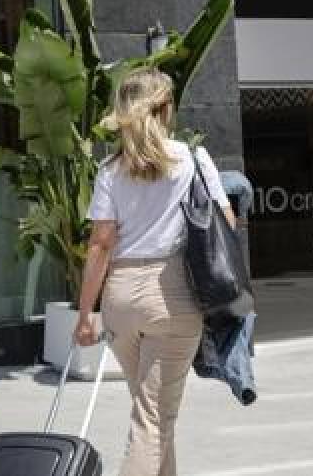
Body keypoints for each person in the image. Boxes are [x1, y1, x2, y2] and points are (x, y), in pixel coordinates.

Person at [73, 68, 236, 476]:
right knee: (152, 420)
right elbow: (227, 224)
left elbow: (100, 244)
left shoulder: (111, 170)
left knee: (154, 414)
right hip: (172, 295)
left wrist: (83, 315)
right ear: (164, 108)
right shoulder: (193, 159)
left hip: (120, 300)